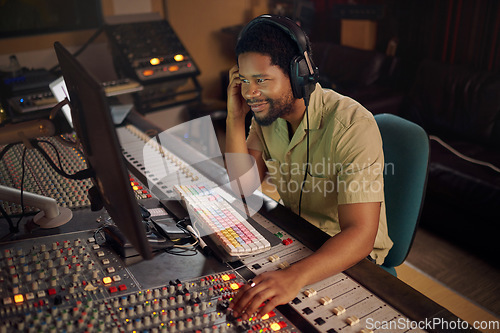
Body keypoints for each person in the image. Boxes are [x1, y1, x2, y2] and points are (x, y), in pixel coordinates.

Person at [225, 15, 393, 320]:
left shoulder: (352, 125)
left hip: (352, 257)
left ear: (299, 73)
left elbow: (361, 233)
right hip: (298, 239)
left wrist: (294, 276)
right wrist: (234, 117)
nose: (250, 93)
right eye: (244, 80)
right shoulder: (266, 116)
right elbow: (241, 189)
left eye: (261, 80)